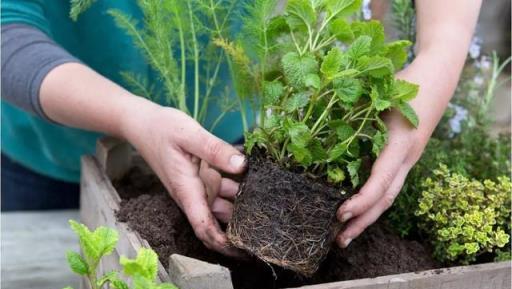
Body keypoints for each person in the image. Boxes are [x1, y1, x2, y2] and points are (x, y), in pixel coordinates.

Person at [1, 0, 482, 256]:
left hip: (228, 138)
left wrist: (438, 60)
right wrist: (131, 114)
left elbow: (443, 30)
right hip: (49, 150)